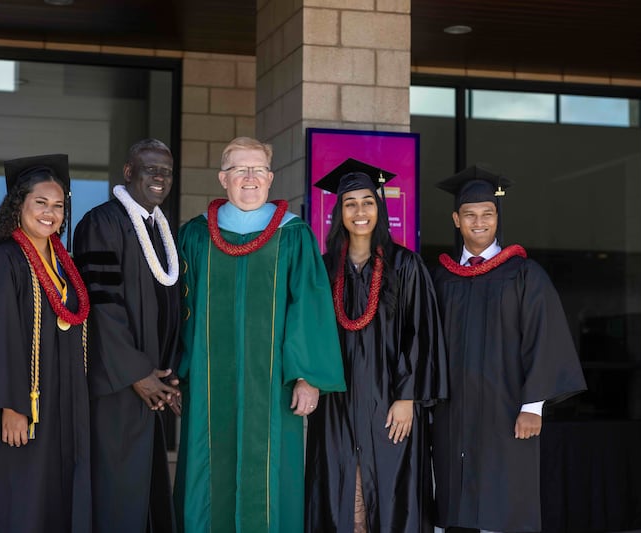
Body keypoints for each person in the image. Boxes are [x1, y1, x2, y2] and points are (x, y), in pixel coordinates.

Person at [174, 136, 346, 532]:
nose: (248, 178)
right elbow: (179, 311)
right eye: (239, 170)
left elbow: (308, 306)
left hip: (272, 388)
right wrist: (179, 372)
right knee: (207, 471)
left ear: (270, 178)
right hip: (207, 384)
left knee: (270, 476)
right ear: (223, 178)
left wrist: (307, 377)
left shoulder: (294, 234)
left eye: (257, 170)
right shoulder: (196, 236)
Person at [430, 165, 587, 533]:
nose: (479, 222)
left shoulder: (524, 274)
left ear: (498, 217)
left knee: (504, 504)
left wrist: (533, 406)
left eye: (487, 214)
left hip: (507, 414)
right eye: (469, 214)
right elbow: (427, 344)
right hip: (452, 415)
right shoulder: (442, 278)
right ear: (456, 219)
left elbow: (543, 338)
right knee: (453, 505)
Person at [305, 159, 448, 533]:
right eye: (350, 204)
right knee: (340, 487)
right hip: (336, 404)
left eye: (368, 202)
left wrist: (408, 398)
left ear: (379, 207)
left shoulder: (405, 265)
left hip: (389, 402)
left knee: (390, 491)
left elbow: (421, 333)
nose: (360, 211)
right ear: (339, 213)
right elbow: (310, 334)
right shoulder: (323, 269)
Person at [0, 154, 91, 533]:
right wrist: (9, 406)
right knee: (20, 501)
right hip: (25, 410)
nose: (50, 213)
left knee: (56, 499)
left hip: (61, 407)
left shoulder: (62, 261)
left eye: (58, 206)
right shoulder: (4, 260)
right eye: (41, 202)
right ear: (18, 205)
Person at [73, 139, 181, 533]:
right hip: (117, 386)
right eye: (150, 168)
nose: (159, 177)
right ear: (128, 172)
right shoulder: (102, 223)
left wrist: (169, 375)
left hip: (149, 384)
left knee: (142, 490)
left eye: (166, 171)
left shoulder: (160, 229)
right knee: (117, 490)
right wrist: (137, 372)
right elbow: (99, 305)